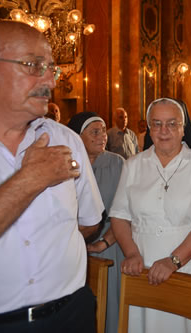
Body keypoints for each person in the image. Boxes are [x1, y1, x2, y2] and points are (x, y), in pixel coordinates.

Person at [0, 21, 104, 332]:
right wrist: (30, 180)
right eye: (33, 65)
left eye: (50, 68)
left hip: (72, 313)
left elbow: (89, 222)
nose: (50, 81)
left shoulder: (66, 140)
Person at [109, 98, 191, 333]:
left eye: (171, 124)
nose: (164, 131)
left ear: (183, 128)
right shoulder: (133, 165)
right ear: (149, 128)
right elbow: (119, 216)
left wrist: (173, 261)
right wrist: (130, 253)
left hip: (188, 264)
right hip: (143, 263)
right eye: (157, 124)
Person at [67, 111, 125, 333]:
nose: (102, 136)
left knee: (109, 303)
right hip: (74, 246)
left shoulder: (117, 164)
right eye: (95, 132)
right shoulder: (67, 165)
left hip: (111, 242)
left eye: (103, 131)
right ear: (77, 137)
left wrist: (104, 243)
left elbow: (124, 211)